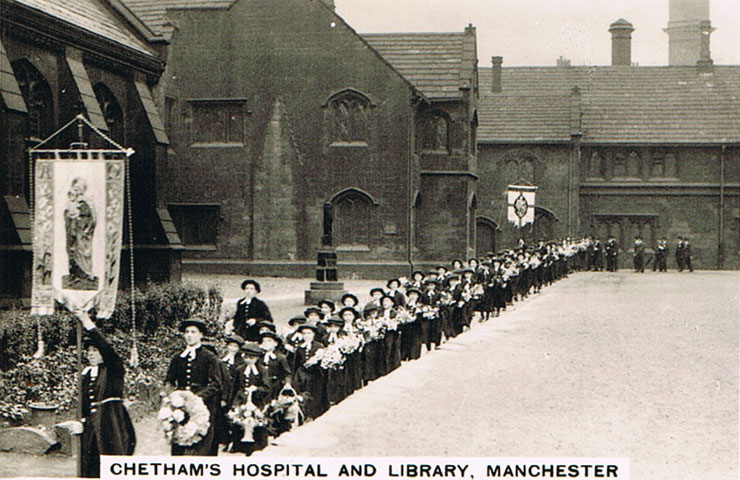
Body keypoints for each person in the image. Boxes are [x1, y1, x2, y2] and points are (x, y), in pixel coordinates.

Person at [75, 310, 135, 477]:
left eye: (96, 350)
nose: (91, 354)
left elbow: (107, 348)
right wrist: (80, 420)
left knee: (110, 466)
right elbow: (84, 403)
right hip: (90, 428)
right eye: (89, 351)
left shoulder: (114, 369)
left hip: (110, 424)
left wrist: (87, 323)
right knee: (89, 467)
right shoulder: (86, 374)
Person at [164, 318, 223, 456]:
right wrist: (173, 397)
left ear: (201, 335)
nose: (189, 335)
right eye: (187, 332)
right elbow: (169, 381)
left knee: (202, 445)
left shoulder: (209, 358)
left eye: (193, 332)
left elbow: (216, 384)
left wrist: (197, 398)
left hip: (202, 406)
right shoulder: (178, 358)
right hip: (181, 405)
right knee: (179, 440)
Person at [229, 342, 269, 455]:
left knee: (257, 421)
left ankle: (257, 445)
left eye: (251, 357)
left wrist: (256, 389)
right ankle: (237, 445)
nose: (248, 360)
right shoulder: (240, 369)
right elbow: (235, 387)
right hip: (241, 399)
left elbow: (266, 387)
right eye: (246, 357)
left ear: (257, 358)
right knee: (238, 419)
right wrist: (232, 402)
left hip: (256, 400)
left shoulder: (262, 370)